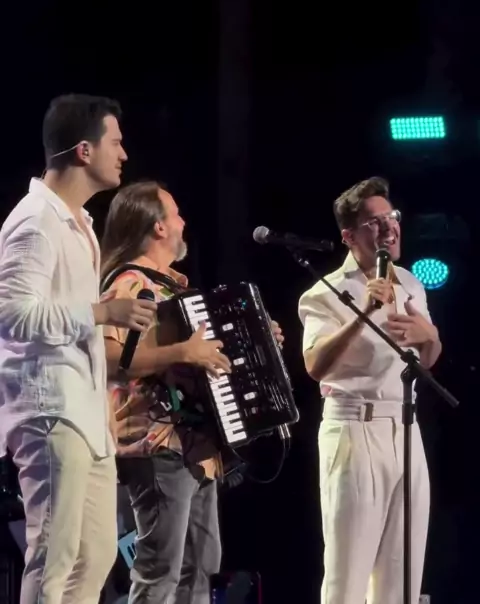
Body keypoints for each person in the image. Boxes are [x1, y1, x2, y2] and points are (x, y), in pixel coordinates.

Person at [0, 94, 157, 604]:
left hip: (85, 416)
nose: (124, 153)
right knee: (54, 557)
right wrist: (101, 313)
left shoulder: (81, 223)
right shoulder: (35, 220)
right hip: (50, 410)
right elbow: (13, 316)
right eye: (116, 142)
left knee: (95, 555)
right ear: (84, 150)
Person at [100, 179, 284, 604]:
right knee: (161, 570)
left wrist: (257, 339)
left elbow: (201, 358)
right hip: (156, 441)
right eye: (176, 214)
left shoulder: (174, 287)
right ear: (158, 226)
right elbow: (110, 360)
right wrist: (183, 351)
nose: (183, 222)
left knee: (201, 566)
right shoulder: (130, 283)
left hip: (194, 445)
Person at [298, 176, 442, 604]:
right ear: (349, 236)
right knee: (349, 573)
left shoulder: (411, 283)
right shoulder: (324, 293)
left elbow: (426, 358)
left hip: (406, 427)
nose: (389, 227)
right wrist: (364, 312)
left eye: (391, 217)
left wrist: (431, 337)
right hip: (354, 430)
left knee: (403, 573)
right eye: (374, 222)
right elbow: (314, 364)